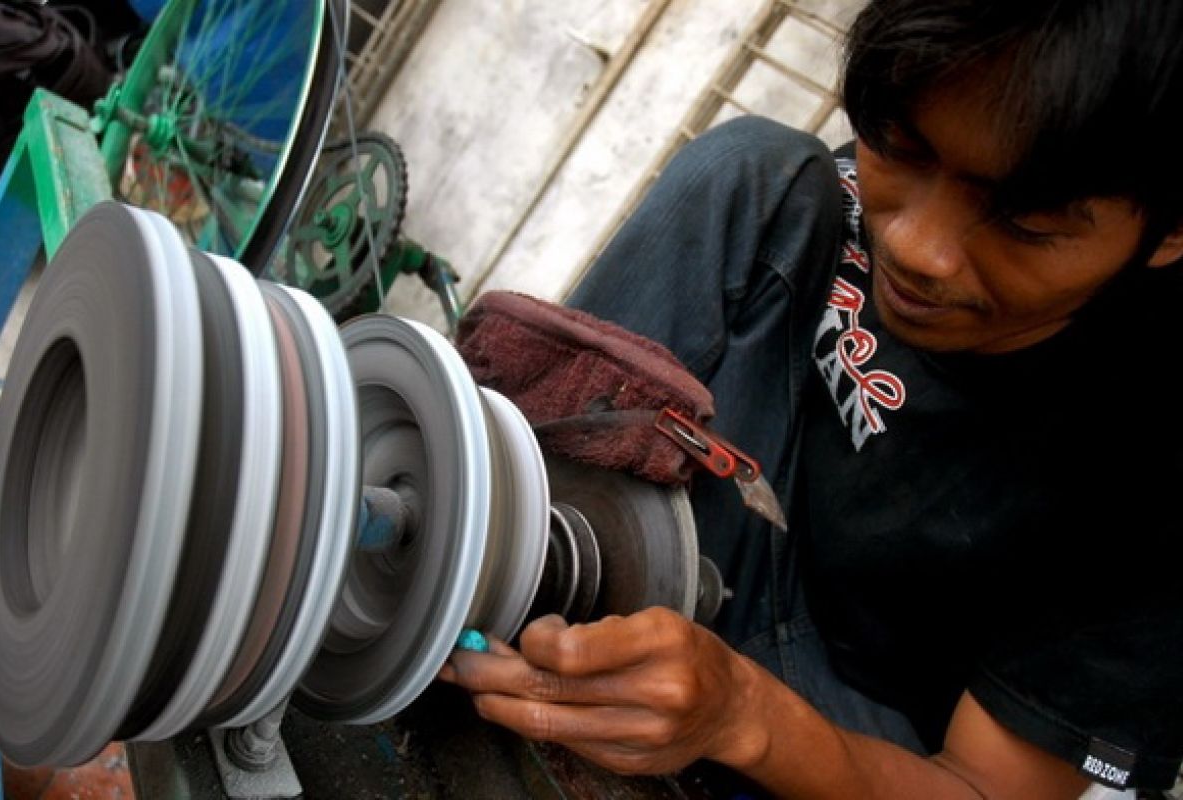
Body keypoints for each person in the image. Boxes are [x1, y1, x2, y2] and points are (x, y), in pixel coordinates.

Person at [438, 1, 1183, 796]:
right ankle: (492, 549)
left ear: (1169, 232)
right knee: (753, 166)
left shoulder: (1153, 462)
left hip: (832, 727)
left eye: (1024, 225)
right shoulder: (814, 204)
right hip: (683, 552)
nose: (914, 247)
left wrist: (743, 716)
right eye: (900, 146)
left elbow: (982, 788)